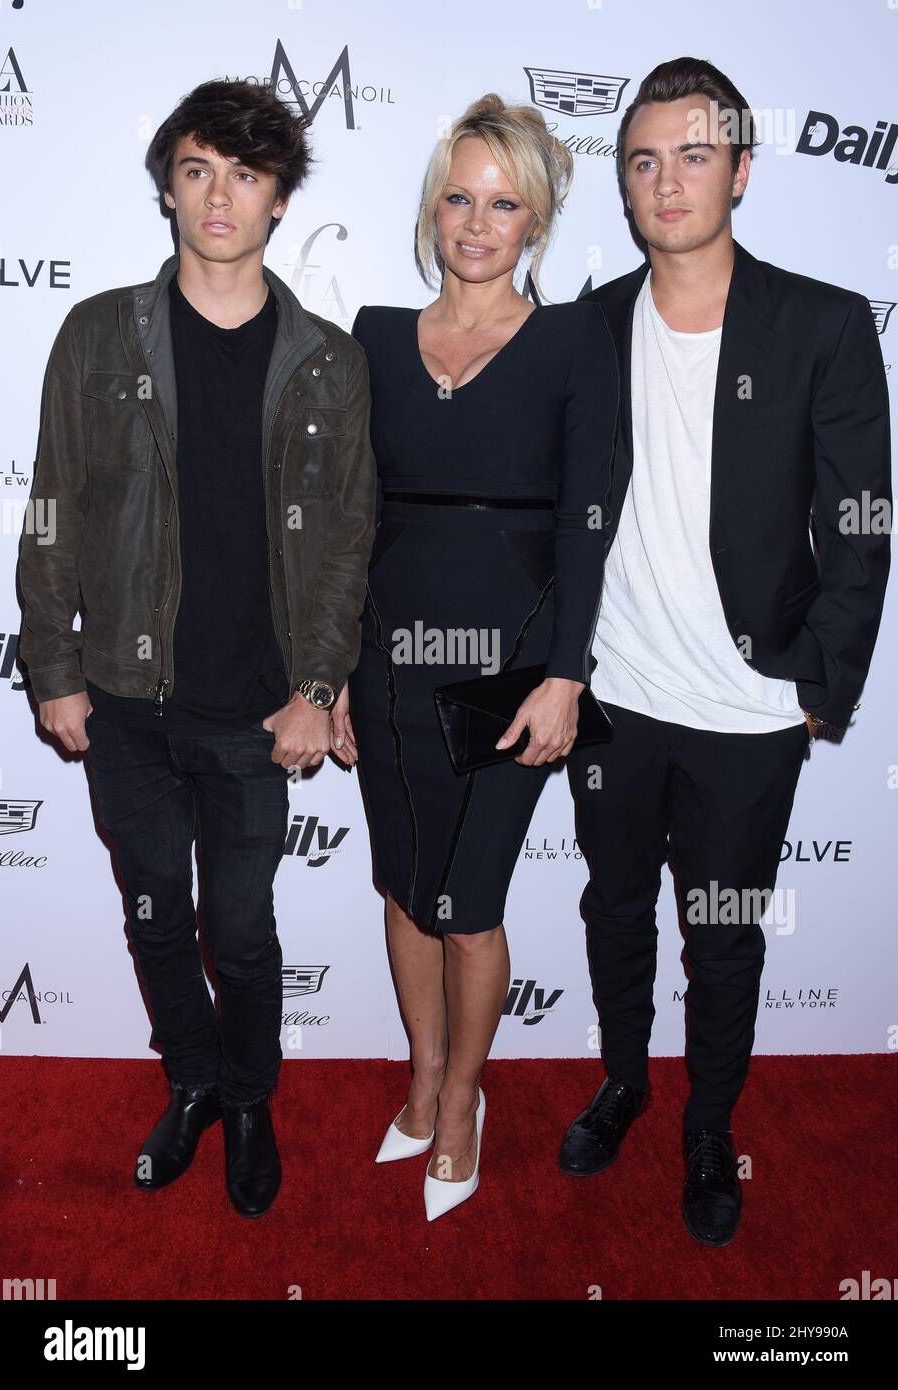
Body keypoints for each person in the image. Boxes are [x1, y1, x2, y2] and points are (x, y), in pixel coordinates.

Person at [17, 78, 376, 1218]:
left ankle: (253, 1096)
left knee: (243, 927)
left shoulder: (327, 360)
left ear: (280, 201)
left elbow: (347, 543)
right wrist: (54, 666)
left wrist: (320, 687)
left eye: (247, 175)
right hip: (124, 699)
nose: (220, 196)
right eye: (198, 169)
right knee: (154, 916)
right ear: (168, 185)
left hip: (256, 711)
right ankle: (193, 1083)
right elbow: (51, 507)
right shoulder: (97, 333)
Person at [560, 57, 891, 1245]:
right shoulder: (588, 325)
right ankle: (622, 1080)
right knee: (611, 912)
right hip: (615, 696)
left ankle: (708, 1126)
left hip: (751, 710)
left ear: (740, 169)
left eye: (693, 155)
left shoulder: (821, 324)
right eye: (643, 160)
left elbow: (862, 520)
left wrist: (823, 681)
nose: (667, 181)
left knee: (726, 933)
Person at [348, 94, 618, 1220]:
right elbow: (346, 521)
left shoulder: (573, 341)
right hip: (386, 658)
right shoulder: (368, 336)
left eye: (503, 203)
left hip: (513, 669)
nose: (476, 220)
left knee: (469, 901)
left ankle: (462, 1098)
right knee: (407, 890)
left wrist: (565, 674)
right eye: (459, 196)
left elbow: (588, 521)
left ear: (536, 223)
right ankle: (418, 1074)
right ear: (431, 207)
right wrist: (330, 674)